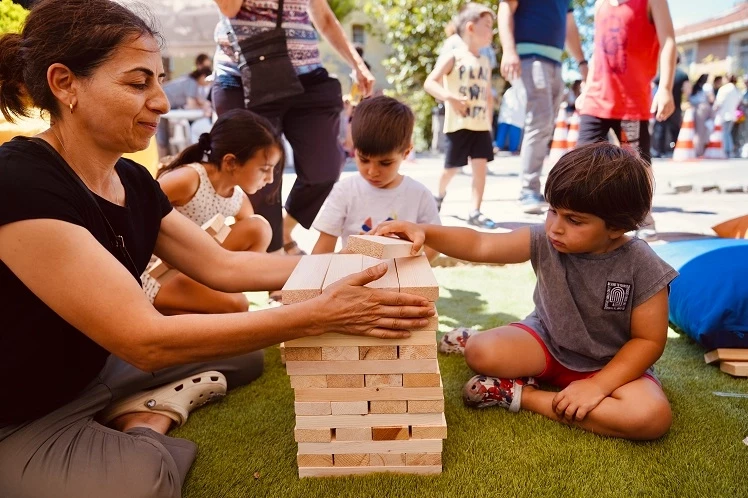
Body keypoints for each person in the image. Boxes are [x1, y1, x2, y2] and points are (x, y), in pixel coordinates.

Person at [0, 1, 434, 496]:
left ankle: (127, 406)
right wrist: (319, 314)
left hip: (94, 367)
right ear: (64, 83)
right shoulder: (19, 181)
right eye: (138, 83)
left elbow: (223, 266)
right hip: (21, 409)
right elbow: (143, 338)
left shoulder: (132, 180)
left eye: (160, 81)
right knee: (143, 482)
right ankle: (147, 422)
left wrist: (357, 256)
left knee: (245, 357)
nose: (162, 102)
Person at [374, 143, 677, 440]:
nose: (555, 227)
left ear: (616, 227)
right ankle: (476, 343)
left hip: (612, 364)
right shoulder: (545, 240)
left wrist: (598, 386)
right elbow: (481, 243)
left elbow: (648, 341)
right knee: (481, 352)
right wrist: (425, 231)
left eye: (574, 220)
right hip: (547, 344)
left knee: (650, 417)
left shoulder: (642, 263)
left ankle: (521, 394)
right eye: (552, 211)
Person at [211, 0, 375, 257]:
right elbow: (229, 8)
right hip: (245, 77)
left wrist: (357, 64)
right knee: (261, 177)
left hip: (307, 77)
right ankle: (274, 262)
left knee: (325, 168)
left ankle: (284, 230)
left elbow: (324, 17)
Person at [144, 109, 280, 315]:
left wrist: (276, 287)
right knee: (237, 306)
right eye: (264, 169)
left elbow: (252, 259)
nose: (269, 178)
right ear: (231, 162)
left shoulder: (237, 198)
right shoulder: (189, 179)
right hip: (153, 275)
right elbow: (134, 210)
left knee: (258, 228)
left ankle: (200, 305)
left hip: (193, 269)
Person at [576, 0, 677, 239]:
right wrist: (588, 85)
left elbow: (669, 41)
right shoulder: (600, 4)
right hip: (596, 97)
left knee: (636, 163)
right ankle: (582, 214)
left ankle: (642, 214)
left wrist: (666, 88)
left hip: (632, 101)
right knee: (581, 162)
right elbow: (598, 51)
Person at [312, 96, 441, 260]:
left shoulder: (419, 194)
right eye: (364, 160)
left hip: (400, 281)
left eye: (385, 163)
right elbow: (323, 249)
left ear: (406, 152)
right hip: (352, 279)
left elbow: (434, 245)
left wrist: (409, 271)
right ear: (354, 149)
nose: (372, 172)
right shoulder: (345, 191)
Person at [498, 0, 587, 211]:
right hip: (530, 58)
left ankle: (533, 187)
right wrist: (509, 50)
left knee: (547, 124)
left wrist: (582, 62)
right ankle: (528, 191)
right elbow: (505, 8)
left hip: (556, 62)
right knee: (539, 122)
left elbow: (570, 27)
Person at [424, 3, 496, 229]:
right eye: (487, 26)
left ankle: (475, 210)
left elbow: (487, 95)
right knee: (451, 168)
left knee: (480, 169)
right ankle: (439, 195)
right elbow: (430, 83)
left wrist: (489, 123)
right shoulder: (453, 57)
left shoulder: (485, 61)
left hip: (480, 125)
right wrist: (450, 98)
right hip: (458, 124)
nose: (492, 32)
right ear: (471, 27)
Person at [156, 66, 213, 156]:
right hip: (162, 103)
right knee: (162, 137)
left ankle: (164, 161)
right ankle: (161, 161)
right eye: (208, 81)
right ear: (203, 77)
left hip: (164, 103)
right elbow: (192, 105)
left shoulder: (189, 81)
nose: (208, 84)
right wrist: (204, 109)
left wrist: (204, 106)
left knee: (164, 136)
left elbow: (196, 101)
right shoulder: (192, 83)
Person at [651, 54, 690, 158]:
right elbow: (687, 91)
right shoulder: (682, 75)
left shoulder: (661, 74)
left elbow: (652, 88)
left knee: (660, 129)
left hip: (661, 105)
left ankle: (659, 151)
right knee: (675, 129)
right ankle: (674, 150)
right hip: (675, 106)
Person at [712, 74, 742, 158]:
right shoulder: (736, 90)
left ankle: (728, 150)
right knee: (728, 132)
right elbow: (739, 100)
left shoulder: (724, 89)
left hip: (724, 114)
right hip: (732, 114)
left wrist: (713, 110)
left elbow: (719, 102)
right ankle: (729, 149)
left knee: (725, 132)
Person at [495, 84, 526, 153]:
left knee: (514, 133)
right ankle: (498, 146)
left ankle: (513, 149)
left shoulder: (523, 91)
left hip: (516, 117)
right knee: (502, 132)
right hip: (506, 115)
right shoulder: (509, 91)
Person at [689, 73, 711, 157]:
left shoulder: (696, 87)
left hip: (695, 109)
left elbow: (690, 98)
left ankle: (698, 150)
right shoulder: (707, 87)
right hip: (703, 108)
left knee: (697, 131)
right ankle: (699, 151)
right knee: (701, 132)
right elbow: (711, 98)